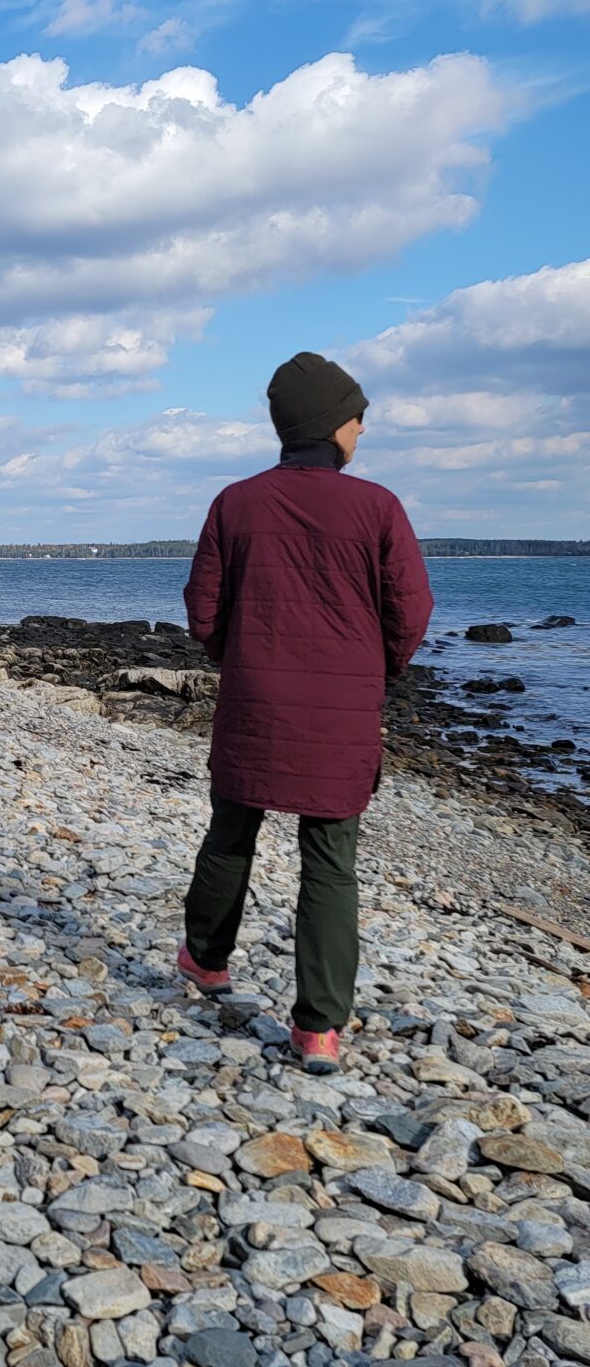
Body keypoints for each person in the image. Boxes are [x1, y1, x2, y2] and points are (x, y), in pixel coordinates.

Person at [178, 352, 433, 1073]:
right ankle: (318, 1027)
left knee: (232, 829)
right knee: (330, 859)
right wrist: (373, 670)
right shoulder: (378, 506)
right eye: (359, 418)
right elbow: (410, 613)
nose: (362, 431)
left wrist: (241, 654)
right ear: (334, 426)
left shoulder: (236, 501)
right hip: (341, 711)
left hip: (254, 697)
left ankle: (205, 959)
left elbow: (204, 610)